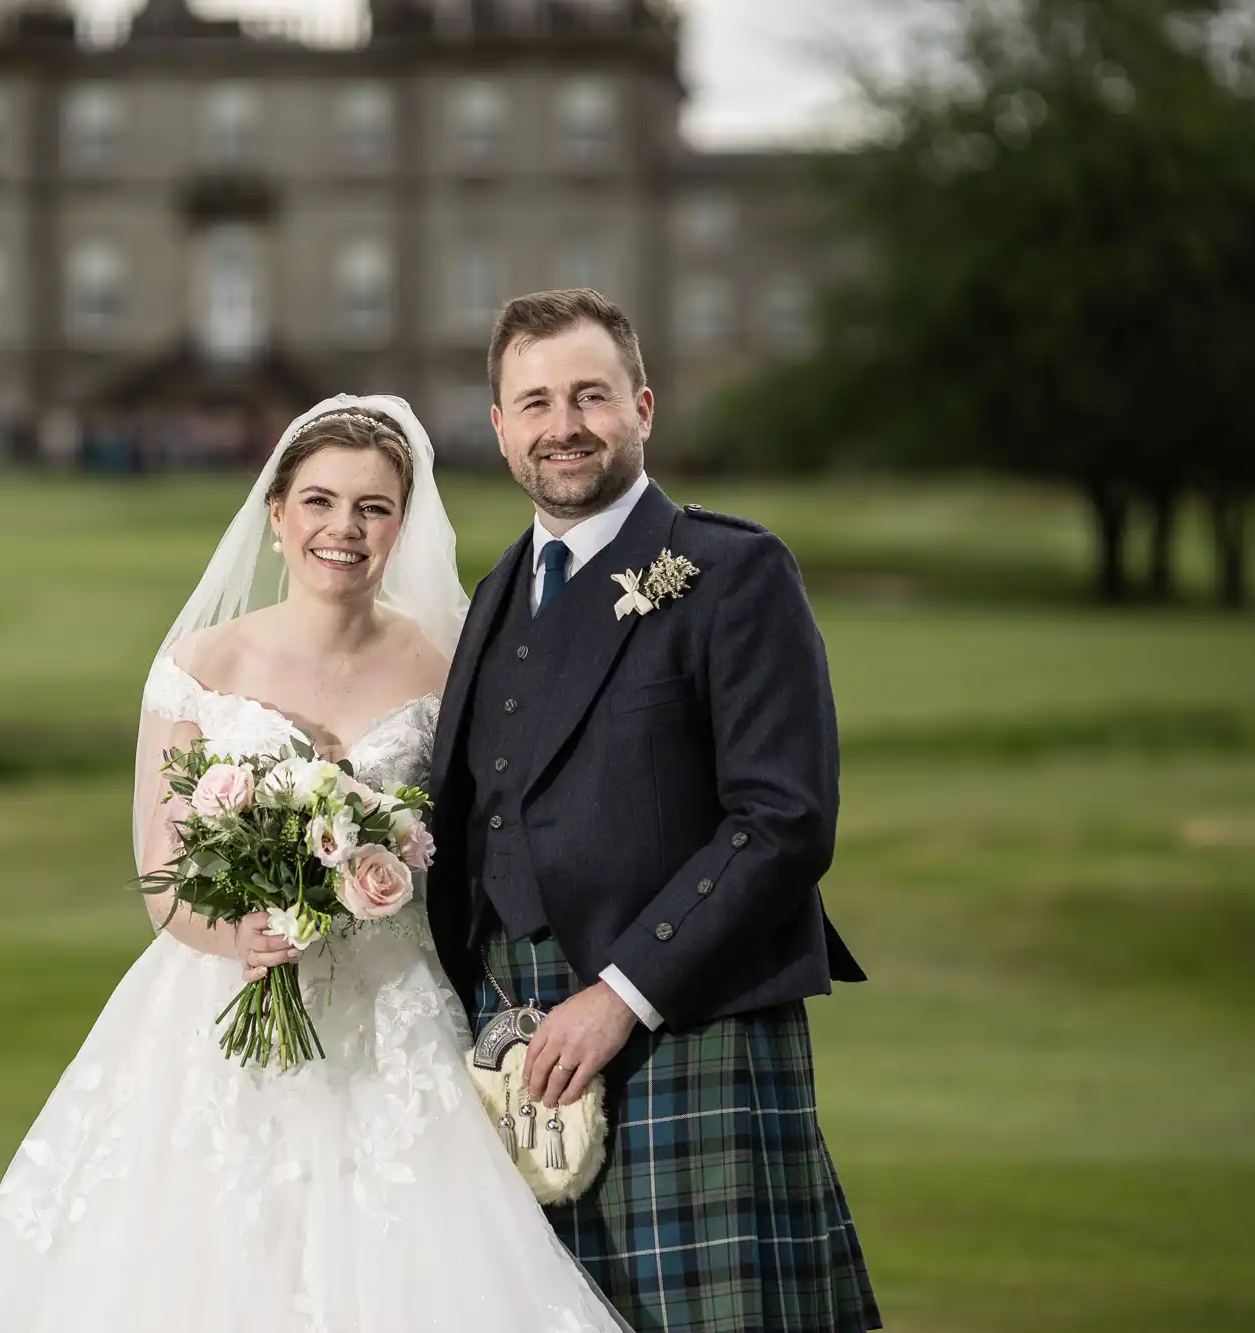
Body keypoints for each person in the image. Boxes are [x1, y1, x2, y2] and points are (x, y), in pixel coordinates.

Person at [0, 395, 631, 1333]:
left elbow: (483, 842)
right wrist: (240, 930)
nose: (345, 529)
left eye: (373, 508)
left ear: (402, 524)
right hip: (217, 1009)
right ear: (278, 515)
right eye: (321, 502)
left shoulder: (450, 666)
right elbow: (160, 870)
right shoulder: (200, 664)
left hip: (393, 1014)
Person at [425, 289, 884, 1332]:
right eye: (533, 402)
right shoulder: (494, 592)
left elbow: (783, 818)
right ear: (498, 428)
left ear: (640, 405)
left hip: (686, 1021)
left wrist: (621, 992)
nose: (563, 424)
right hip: (513, 1045)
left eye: (589, 395)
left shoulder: (733, 569)